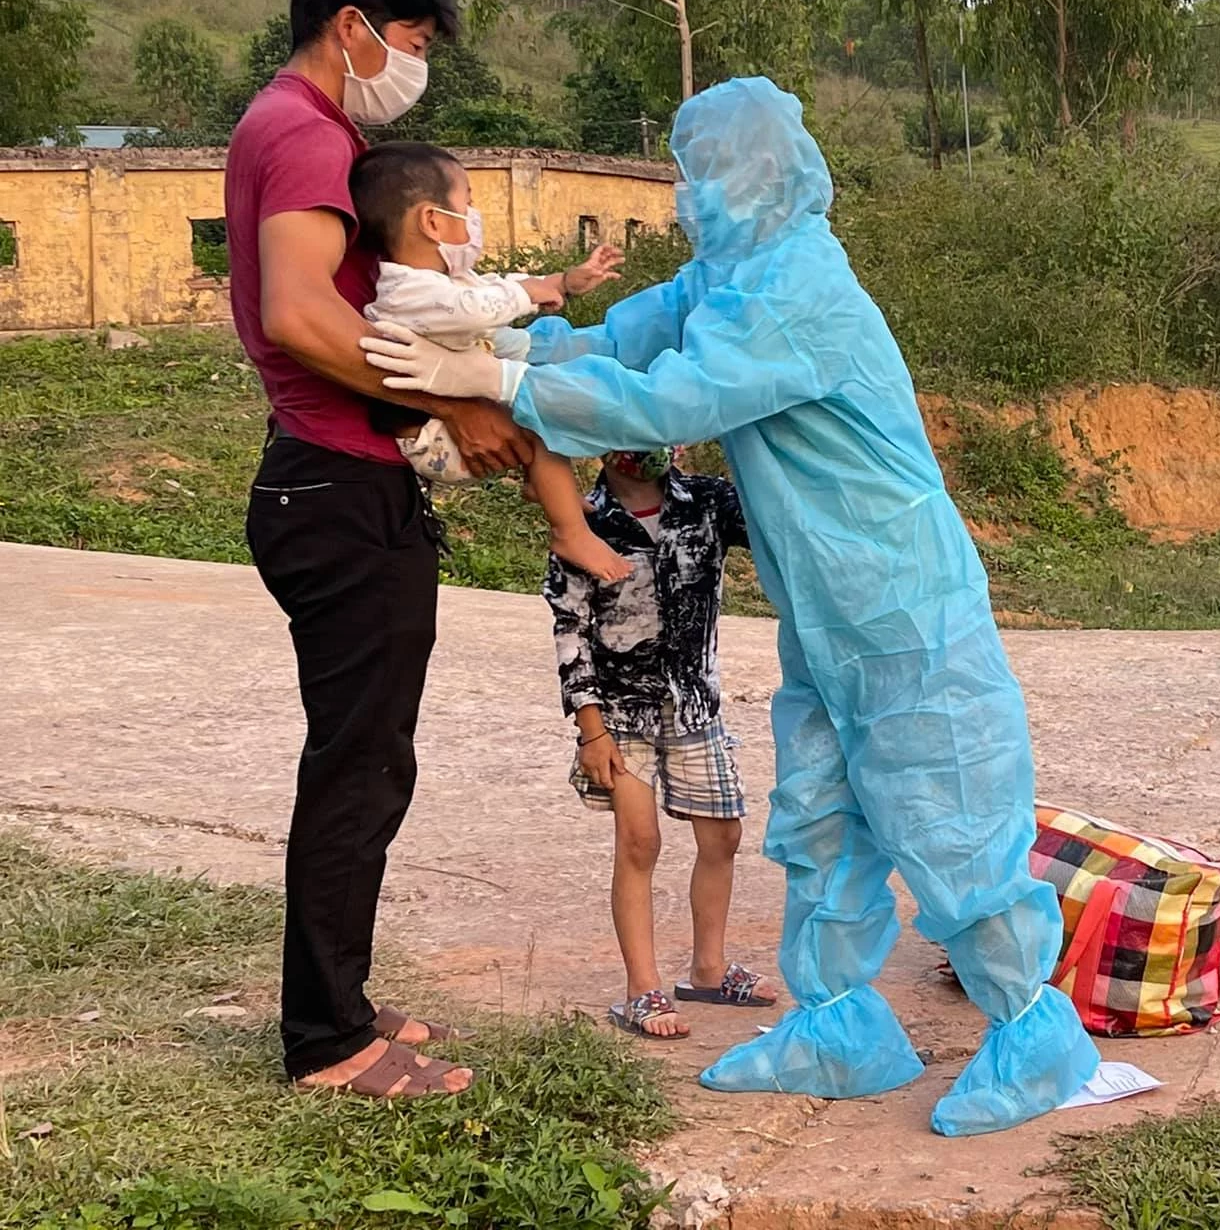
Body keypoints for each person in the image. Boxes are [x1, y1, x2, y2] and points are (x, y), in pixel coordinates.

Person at [363, 77, 1100, 1137]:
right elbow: (624, 343)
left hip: (905, 603)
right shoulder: (724, 275)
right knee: (821, 820)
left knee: (949, 822)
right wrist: (501, 356)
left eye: (697, 174)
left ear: (755, 175)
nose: (683, 199)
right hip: (826, 617)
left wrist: (499, 386)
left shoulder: (798, 285)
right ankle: (841, 1028)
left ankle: (1034, 1034)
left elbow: (677, 399)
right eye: (680, 174)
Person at [227, 0, 527, 1100]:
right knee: (357, 767)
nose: (412, 62)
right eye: (406, 40)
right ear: (350, 25)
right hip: (333, 486)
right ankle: (327, 1041)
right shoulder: (302, 131)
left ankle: (335, 1000)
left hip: (342, 477)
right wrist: (458, 398)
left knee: (367, 759)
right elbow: (304, 317)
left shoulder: (304, 130)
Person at [543, 447, 780, 1039]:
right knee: (639, 842)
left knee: (723, 835)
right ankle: (641, 990)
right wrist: (590, 731)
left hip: (694, 704)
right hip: (619, 716)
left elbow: (781, 528)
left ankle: (707, 969)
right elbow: (569, 633)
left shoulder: (708, 501)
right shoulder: (582, 520)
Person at [352, 140, 629, 583]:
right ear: (432, 220)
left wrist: (562, 281)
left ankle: (545, 485)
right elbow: (474, 308)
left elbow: (490, 287)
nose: (476, 217)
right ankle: (569, 531)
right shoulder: (408, 291)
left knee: (541, 404)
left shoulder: (445, 280)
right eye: (469, 203)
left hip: (446, 422)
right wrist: (527, 295)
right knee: (542, 419)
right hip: (434, 439)